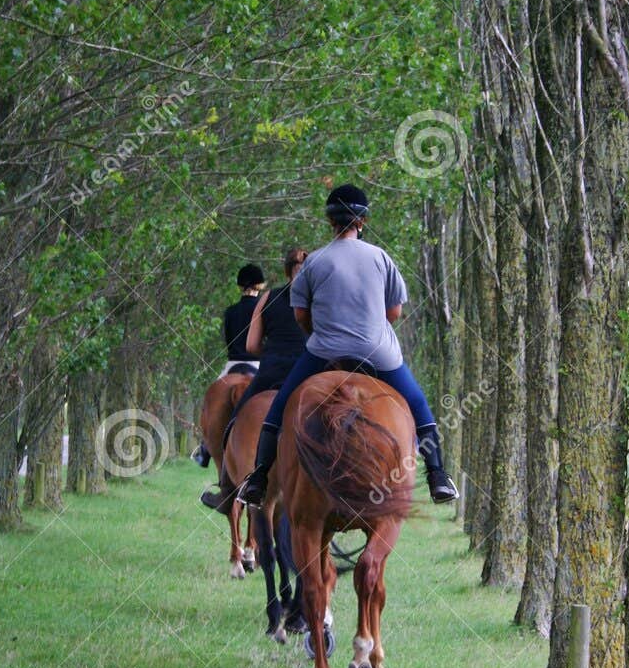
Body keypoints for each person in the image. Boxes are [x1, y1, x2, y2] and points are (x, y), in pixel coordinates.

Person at [206, 185, 458, 508]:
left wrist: (322, 334)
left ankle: (257, 478)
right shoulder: (381, 257)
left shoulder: (315, 262)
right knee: (418, 405)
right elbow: (394, 311)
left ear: (330, 222)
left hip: (325, 352)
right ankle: (437, 475)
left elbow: (301, 315)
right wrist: (369, 329)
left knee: (279, 406)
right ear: (362, 221)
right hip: (377, 352)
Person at [200, 247, 308, 507]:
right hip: (300, 367)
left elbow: (245, 344)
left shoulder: (243, 308)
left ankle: (212, 461)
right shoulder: (317, 299)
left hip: (250, 364)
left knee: (235, 418)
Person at [191, 262, 265, 467]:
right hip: (258, 365)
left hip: (232, 363)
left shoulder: (230, 311)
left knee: (209, 405)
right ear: (260, 284)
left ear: (240, 285)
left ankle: (205, 449)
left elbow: (229, 340)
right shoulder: (264, 309)